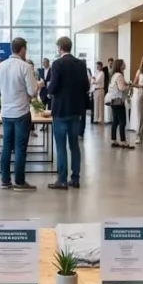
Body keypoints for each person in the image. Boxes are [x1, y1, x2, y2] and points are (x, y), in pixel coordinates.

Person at [0, 37, 39, 191]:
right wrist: (38, 85)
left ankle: (5, 181)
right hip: (21, 112)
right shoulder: (25, 66)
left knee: (6, 147)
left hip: (6, 113)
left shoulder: (0, 66)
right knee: (20, 148)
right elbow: (32, 91)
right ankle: (20, 183)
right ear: (22, 49)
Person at [46, 37, 89, 190]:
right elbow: (86, 85)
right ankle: (75, 178)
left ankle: (62, 180)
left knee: (60, 146)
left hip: (60, 110)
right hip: (76, 110)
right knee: (74, 145)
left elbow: (54, 86)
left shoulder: (57, 63)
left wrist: (49, 92)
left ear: (59, 48)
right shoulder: (81, 64)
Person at [107, 59, 131, 149]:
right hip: (118, 100)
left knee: (115, 121)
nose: (125, 65)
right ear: (120, 65)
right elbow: (121, 88)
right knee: (122, 121)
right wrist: (129, 86)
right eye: (124, 63)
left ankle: (113, 140)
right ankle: (123, 141)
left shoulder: (114, 75)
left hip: (113, 100)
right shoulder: (119, 75)